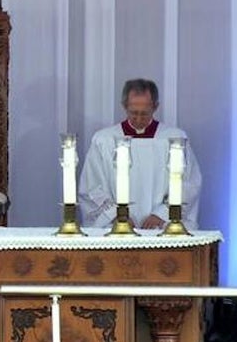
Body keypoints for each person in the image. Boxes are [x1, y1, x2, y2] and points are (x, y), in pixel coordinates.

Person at [78, 79, 201, 231]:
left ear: (155, 107)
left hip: (161, 226)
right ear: (124, 106)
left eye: (144, 113)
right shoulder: (104, 140)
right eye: (133, 113)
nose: (138, 119)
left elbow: (189, 184)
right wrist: (117, 216)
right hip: (117, 228)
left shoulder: (175, 140)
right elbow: (92, 186)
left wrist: (162, 214)